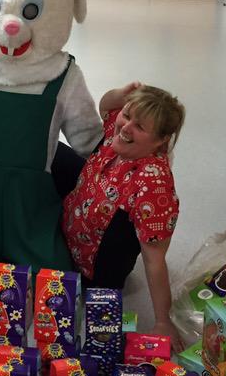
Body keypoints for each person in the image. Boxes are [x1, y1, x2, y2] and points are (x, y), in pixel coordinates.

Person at [53, 82, 184, 345]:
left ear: (161, 141)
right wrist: (119, 96)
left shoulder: (153, 185)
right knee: (48, 151)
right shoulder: (120, 133)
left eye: (140, 127)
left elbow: (154, 259)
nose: (126, 127)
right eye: (127, 115)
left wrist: (162, 321)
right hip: (79, 211)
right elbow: (106, 107)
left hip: (96, 268)